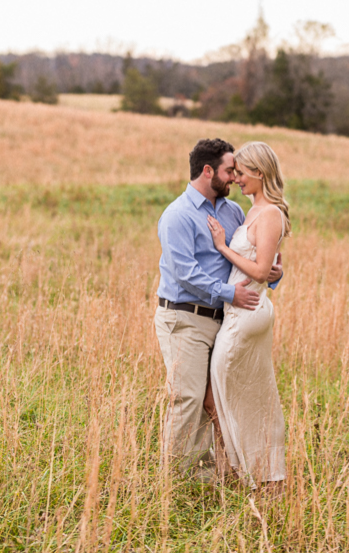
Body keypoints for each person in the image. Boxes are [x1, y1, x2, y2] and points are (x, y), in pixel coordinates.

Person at [154, 138, 283, 480]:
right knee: (188, 398)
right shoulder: (177, 215)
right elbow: (185, 273)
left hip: (225, 319)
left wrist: (271, 276)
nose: (234, 179)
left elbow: (248, 260)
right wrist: (231, 293)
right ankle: (177, 479)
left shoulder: (233, 211)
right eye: (230, 171)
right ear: (208, 170)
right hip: (185, 317)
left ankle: (220, 473)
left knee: (219, 399)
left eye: (239, 172)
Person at [205, 141, 290, 489]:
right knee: (224, 393)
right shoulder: (252, 211)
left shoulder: (270, 214)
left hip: (247, 313)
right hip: (236, 312)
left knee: (237, 392)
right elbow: (267, 268)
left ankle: (263, 475)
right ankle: (238, 472)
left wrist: (223, 246)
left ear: (259, 172)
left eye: (241, 172)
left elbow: (258, 272)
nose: (236, 178)